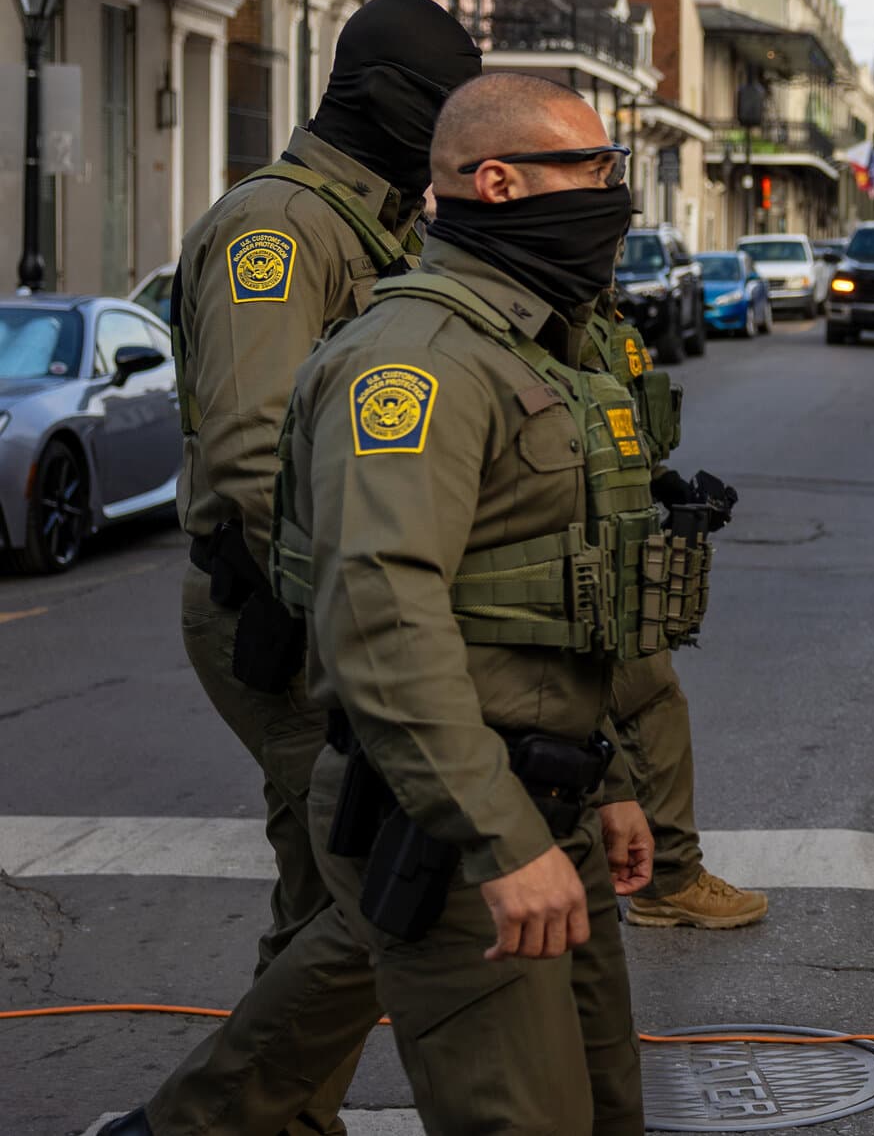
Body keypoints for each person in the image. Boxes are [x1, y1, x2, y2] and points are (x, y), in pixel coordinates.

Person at [265, 72, 671, 1134]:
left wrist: (615, 780)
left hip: (556, 800)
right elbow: (381, 617)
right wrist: (501, 840)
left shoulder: (532, 347)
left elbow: (565, 599)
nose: (609, 196)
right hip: (453, 820)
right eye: (589, 170)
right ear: (496, 182)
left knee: (606, 1110)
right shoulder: (416, 364)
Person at [108, 0, 479, 1136]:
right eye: (442, 114)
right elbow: (255, 456)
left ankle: (265, 1119)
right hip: (280, 607)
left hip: (322, 605)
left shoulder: (368, 226)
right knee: (364, 894)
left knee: (333, 893)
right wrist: (364, 629)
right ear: (383, 101)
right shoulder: (281, 229)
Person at [583, 292, 769, 930]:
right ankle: (667, 877)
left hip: (611, 538)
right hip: (578, 549)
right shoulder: (548, 304)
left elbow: (622, 431)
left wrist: (665, 485)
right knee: (644, 697)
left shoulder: (598, 313)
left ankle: (661, 872)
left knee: (642, 696)